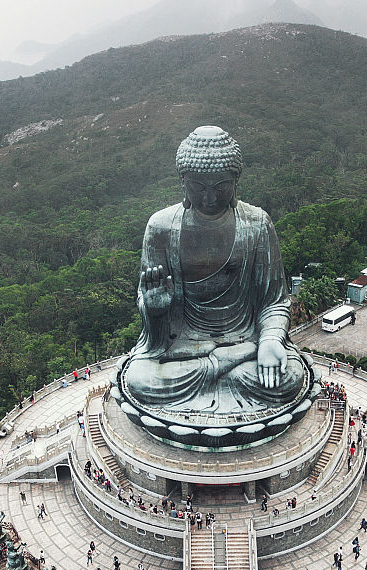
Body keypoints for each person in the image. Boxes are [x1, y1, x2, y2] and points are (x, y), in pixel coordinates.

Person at [118, 126, 309, 414]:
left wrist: (269, 341)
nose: (209, 198)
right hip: (185, 348)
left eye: (220, 187)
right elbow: (150, 316)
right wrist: (156, 309)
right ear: (183, 182)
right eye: (198, 187)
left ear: (235, 182)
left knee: (288, 378)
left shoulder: (257, 224)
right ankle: (226, 363)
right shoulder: (160, 227)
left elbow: (274, 302)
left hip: (244, 338)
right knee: (140, 381)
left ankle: (231, 361)